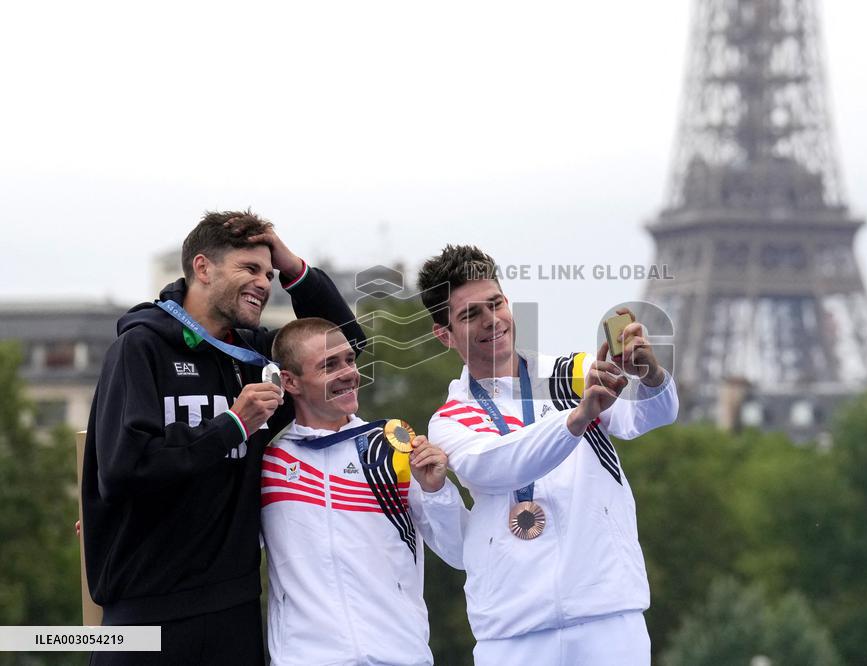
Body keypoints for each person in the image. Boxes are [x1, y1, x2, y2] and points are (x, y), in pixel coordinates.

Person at [81, 211, 365, 665]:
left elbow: (344, 344)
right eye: (249, 269)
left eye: (268, 274)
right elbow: (124, 468)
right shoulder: (140, 348)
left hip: (234, 610)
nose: (263, 282)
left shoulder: (255, 356)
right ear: (202, 268)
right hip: (144, 613)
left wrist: (292, 266)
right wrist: (230, 426)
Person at [417, 245, 679, 666]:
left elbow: (651, 416)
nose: (492, 321)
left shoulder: (569, 374)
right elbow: (497, 465)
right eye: (470, 315)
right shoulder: (449, 420)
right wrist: (577, 419)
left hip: (607, 614)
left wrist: (651, 376)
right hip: (513, 629)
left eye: (496, 303)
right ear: (444, 335)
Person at [261, 317, 466, 666]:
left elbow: (461, 551)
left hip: (400, 656)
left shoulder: (391, 450)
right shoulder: (268, 465)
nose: (348, 373)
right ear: (289, 381)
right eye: (329, 365)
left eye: (349, 360)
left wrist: (436, 491)